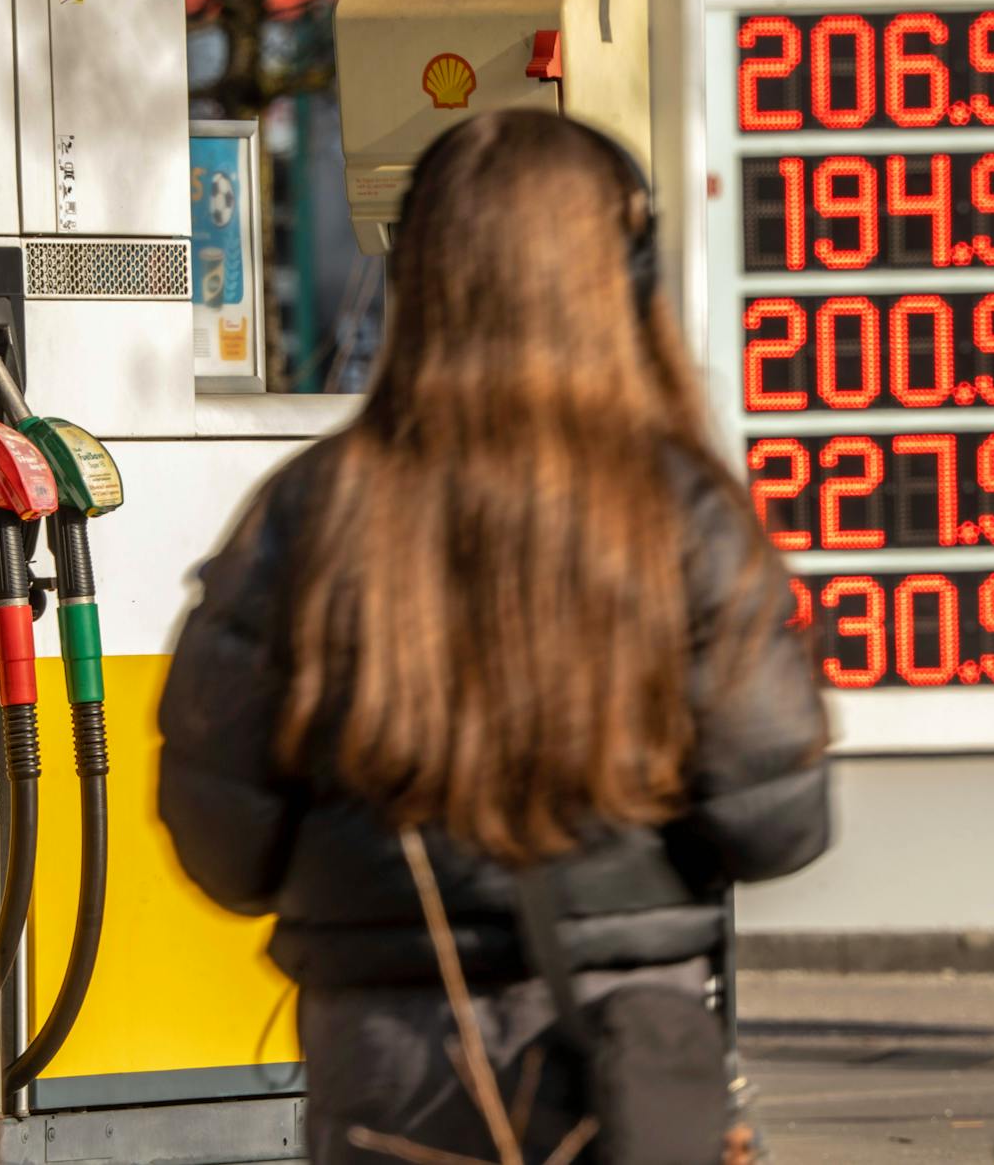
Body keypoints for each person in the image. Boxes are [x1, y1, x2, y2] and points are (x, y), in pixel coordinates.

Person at [156, 110, 831, 1163]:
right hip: (625, 1048)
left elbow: (223, 836)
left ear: (417, 274)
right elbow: (775, 821)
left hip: (381, 1049)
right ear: (622, 279)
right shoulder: (682, 514)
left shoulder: (307, 511)